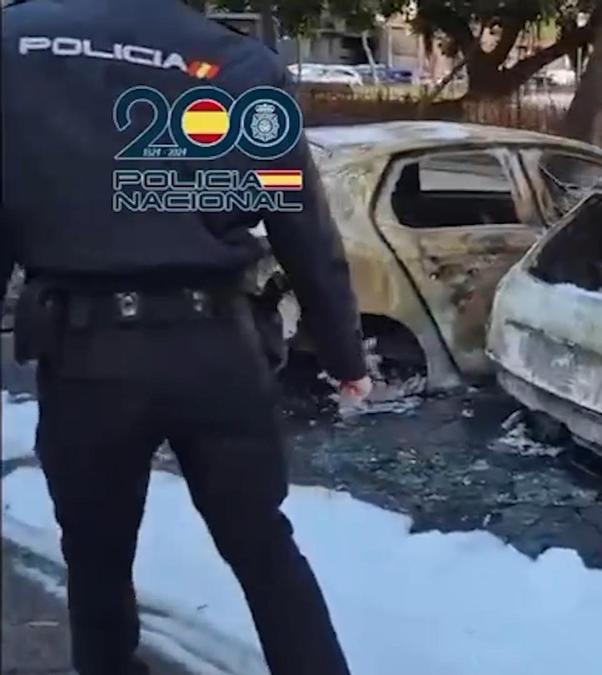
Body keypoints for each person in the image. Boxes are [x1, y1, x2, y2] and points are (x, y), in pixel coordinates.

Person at [1, 0, 371, 673]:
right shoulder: (241, 64)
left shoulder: (15, 45)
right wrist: (345, 352)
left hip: (88, 358)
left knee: (96, 554)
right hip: (217, 353)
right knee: (262, 546)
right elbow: (300, 222)